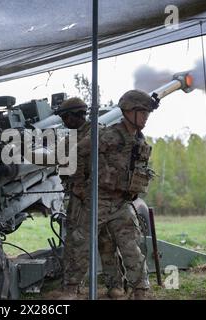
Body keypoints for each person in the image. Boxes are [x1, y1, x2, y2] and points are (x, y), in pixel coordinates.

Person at [73, 89, 156, 300]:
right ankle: (70, 289)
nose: (146, 117)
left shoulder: (139, 140)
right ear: (128, 111)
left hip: (122, 202)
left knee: (132, 246)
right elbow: (78, 154)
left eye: (148, 113)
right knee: (81, 245)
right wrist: (80, 187)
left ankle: (140, 290)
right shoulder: (108, 135)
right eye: (142, 112)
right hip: (98, 199)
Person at [51, 97, 125, 299]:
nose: (64, 121)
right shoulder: (72, 136)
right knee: (77, 239)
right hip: (79, 196)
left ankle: (114, 285)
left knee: (104, 240)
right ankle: (72, 285)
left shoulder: (96, 132)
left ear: (76, 115)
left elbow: (79, 154)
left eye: (65, 117)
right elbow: (56, 156)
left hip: (98, 196)